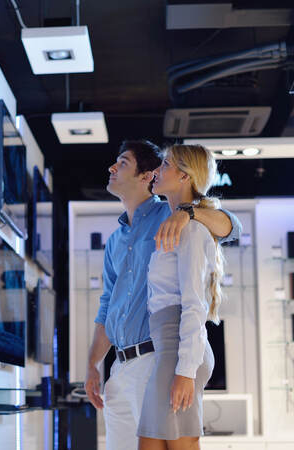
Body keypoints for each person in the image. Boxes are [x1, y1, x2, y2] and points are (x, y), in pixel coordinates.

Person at [84, 140, 241, 450]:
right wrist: (93, 365)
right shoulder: (115, 241)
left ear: (147, 176)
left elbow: (231, 227)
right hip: (119, 366)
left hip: (156, 357)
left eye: (122, 163)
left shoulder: (170, 215)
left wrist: (189, 214)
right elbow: (107, 306)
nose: (111, 168)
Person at [137, 144, 226, 449]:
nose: (157, 170)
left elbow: (193, 304)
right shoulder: (176, 222)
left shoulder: (191, 230)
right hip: (170, 350)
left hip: (179, 353)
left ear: (185, 177)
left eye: (165, 164)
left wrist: (185, 371)